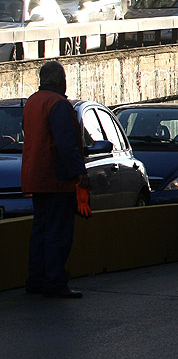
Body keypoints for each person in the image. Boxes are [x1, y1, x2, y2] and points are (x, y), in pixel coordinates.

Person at [21, 61, 89, 298]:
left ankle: (36, 280)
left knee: (40, 230)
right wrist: (80, 172)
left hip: (35, 177)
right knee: (58, 233)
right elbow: (66, 144)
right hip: (56, 178)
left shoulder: (32, 102)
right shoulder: (58, 104)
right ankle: (54, 282)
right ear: (61, 80)